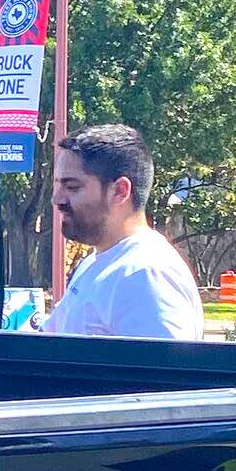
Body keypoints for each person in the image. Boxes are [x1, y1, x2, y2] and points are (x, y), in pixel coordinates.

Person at [39, 123, 204, 339]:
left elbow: (166, 371)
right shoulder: (98, 263)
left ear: (119, 191)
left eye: (72, 187)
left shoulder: (145, 274)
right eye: (58, 185)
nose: (57, 199)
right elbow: (44, 343)